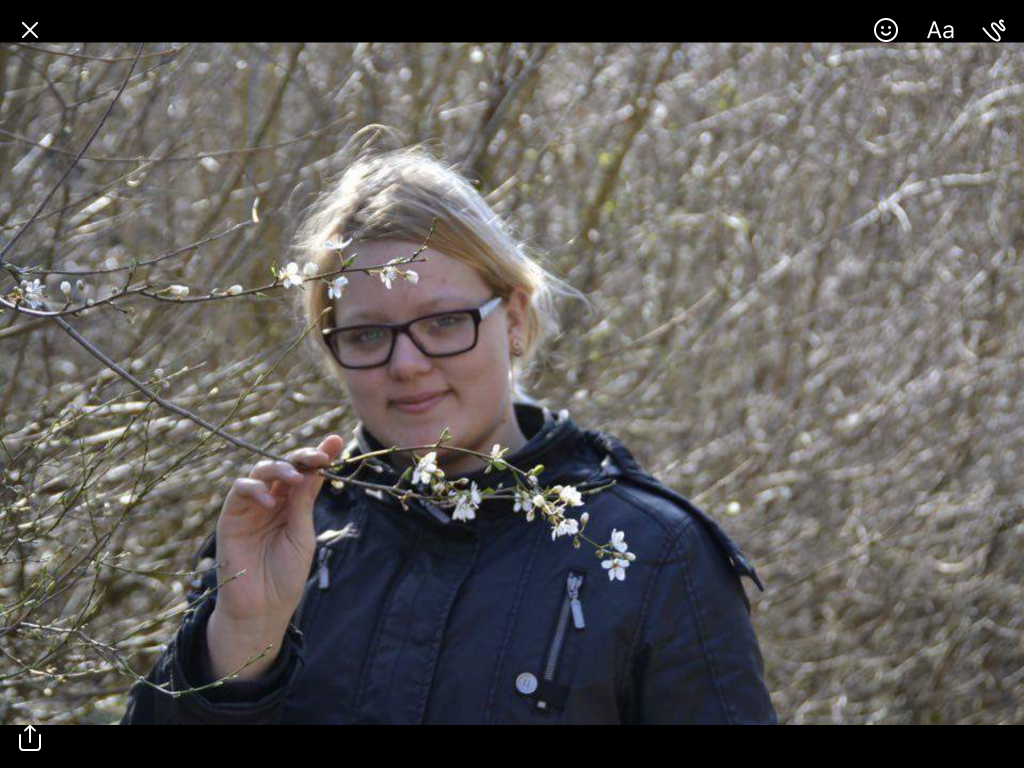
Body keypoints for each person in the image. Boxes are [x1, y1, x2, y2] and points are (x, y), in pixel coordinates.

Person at [121, 142, 776, 725]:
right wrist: (241, 639)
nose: (406, 365)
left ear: (513, 319)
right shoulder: (284, 530)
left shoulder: (656, 555)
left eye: (443, 323)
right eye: (369, 334)